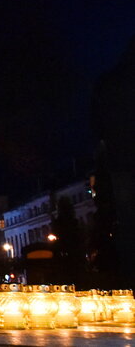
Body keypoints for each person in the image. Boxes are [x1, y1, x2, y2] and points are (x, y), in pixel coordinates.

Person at [91, 36, 135, 289]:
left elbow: (97, 129)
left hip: (120, 161)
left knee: (128, 221)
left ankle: (129, 279)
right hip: (122, 160)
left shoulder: (108, 82)